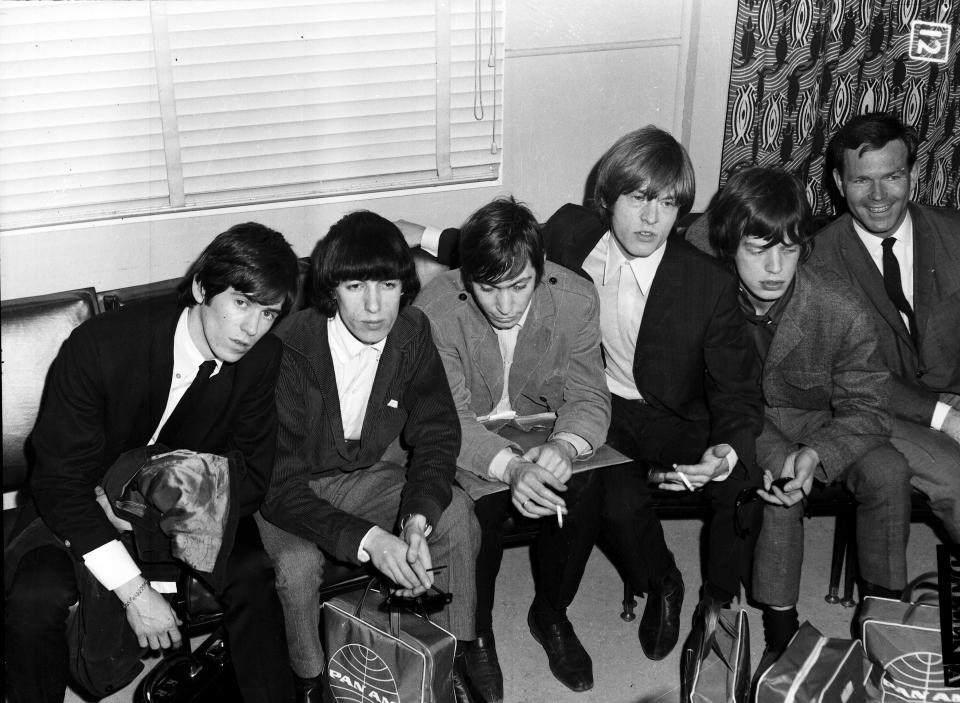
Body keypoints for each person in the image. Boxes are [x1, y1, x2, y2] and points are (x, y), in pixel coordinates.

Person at [403, 125, 764, 661]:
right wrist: (420, 234)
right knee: (609, 498)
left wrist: (726, 449)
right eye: (638, 199)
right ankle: (641, 581)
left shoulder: (707, 283)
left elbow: (737, 392)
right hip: (598, 404)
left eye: (667, 204)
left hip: (673, 414)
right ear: (608, 197)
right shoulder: (571, 233)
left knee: (739, 478)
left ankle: (707, 608)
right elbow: (497, 260)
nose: (650, 219)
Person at [4, 223, 300, 703]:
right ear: (203, 288)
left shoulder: (263, 358)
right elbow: (58, 483)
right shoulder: (101, 345)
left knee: (253, 574)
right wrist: (135, 591)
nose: (252, 329)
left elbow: (253, 480)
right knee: (36, 595)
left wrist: (140, 512)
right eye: (241, 303)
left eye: (268, 312)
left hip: (190, 510)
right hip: (78, 509)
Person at [256, 211, 481, 703]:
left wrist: (417, 519)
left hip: (360, 475)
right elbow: (281, 487)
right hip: (285, 487)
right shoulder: (290, 348)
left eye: (388, 285)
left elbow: (439, 433)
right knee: (296, 567)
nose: (375, 307)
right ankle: (311, 682)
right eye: (356, 287)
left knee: (457, 515)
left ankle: (453, 654)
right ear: (331, 290)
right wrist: (374, 540)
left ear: (406, 286)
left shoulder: (413, 332)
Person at [704, 166, 911, 677]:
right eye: (758, 250)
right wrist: (784, 459)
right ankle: (781, 631)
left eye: (790, 249)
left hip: (827, 424)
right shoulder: (705, 292)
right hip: (745, 420)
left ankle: (885, 620)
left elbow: (868, 407)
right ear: (730, 246)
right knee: (779, 489)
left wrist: (818, 452)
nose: (775, 267)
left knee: (890, 473)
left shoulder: (839, 308)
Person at [413, 197, 611, 699]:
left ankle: (551, 613)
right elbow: (448, 417)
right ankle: (476, 633)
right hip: (467, 440)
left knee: (584, 488)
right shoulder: (433, 309)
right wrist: (512, 469)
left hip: (541, 428)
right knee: (477, 516)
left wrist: (565, 446)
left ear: (541, 273)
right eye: (488, 289)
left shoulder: (577, 298)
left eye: (519, 286)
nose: (505, 305)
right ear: (465, 279)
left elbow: (589, 397)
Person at [808, 113, 960, 541]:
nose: (878, 196)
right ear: (839, 183)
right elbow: (851, 374)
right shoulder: (817, 263)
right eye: (861, 181)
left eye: (892, 176)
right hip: (877, 408)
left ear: (912, 173)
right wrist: (946, 419)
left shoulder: (955, 234)